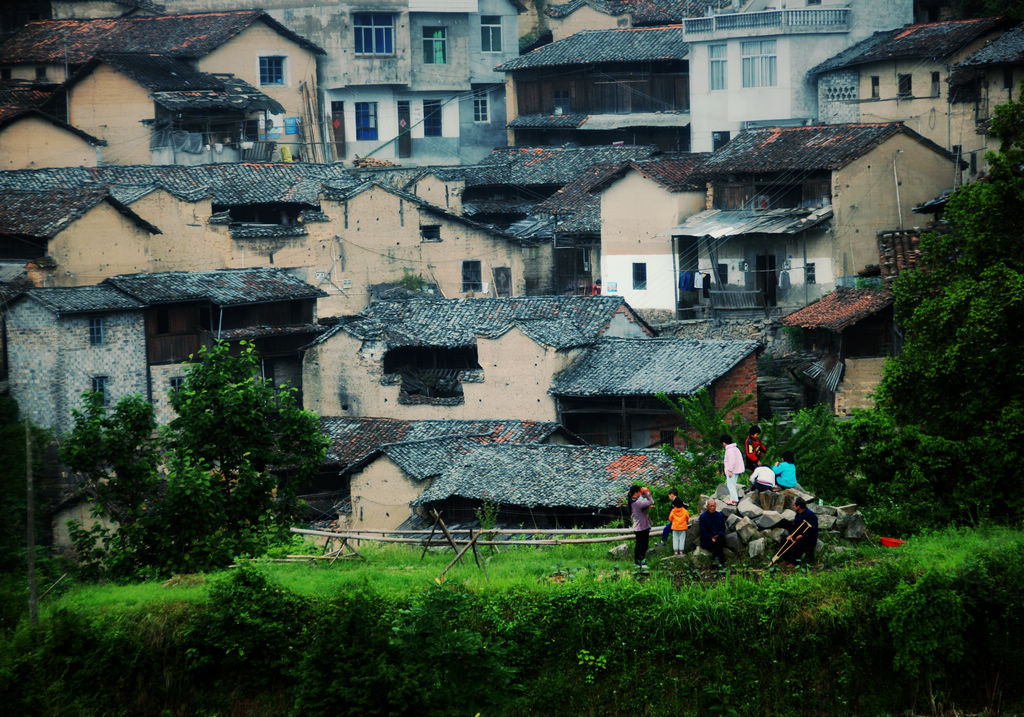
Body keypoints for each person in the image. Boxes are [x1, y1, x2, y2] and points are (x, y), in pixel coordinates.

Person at [780, 497, 818, 565]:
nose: (793, 506)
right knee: (784, 539)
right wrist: (791, 535)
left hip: (809, 537)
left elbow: (813, 529)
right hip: (799, 535)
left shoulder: (811, 515)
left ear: (799, 506)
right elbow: (796, 527)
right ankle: (786, 560)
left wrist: (802, 535)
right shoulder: (798, 514)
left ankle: (794, 563)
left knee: (798, 543)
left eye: (794, 505)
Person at [628, 484, 654, 567]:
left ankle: (637, 562)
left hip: (638, 527)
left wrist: (643, 495)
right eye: (639, 491)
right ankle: (641, 561)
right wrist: (647, 493)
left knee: (639, 545)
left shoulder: (633, 501)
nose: (640, 493)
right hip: (642, 527)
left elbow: (643, 502)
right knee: (643, 545)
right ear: (636, 492)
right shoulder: (638, 502)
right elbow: (651, 502)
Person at [698, 498, 727, 565]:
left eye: (714, 506)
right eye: (711, 506)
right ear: (707, 507)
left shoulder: (720, 515)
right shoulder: (703, 517)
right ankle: (718, 559)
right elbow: (703, 530)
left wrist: (718, 535)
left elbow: (723, 528)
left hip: (718, 537)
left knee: (719, 541)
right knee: (715, 543)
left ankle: (717, 559)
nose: (713, 507)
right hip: (707, 538)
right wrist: (711, 537)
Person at [720, 433, 744, 505]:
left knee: (730, 485)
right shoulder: (735, 448)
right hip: (736, 470)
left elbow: (731, 461)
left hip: (732, 470)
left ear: (724, 443)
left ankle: (734, 500)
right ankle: (733, 499)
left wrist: (730, 470)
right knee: (733, 484)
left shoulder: (729, 450)